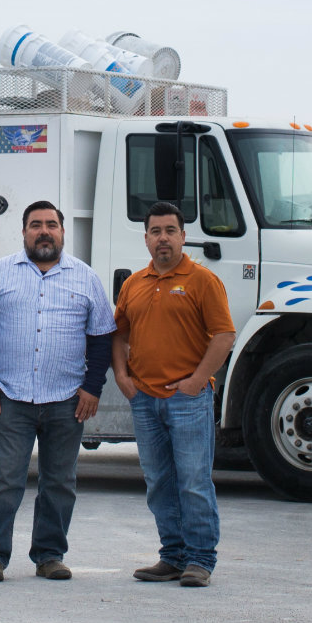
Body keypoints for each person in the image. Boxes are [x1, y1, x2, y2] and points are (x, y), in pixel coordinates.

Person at [0, 200, 115, 582]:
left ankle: (50, 555)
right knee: (5, 478)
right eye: (36, 224)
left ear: (63, 232)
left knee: (60, 482)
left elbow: (102, 339)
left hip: (67, 400)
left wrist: (92, 388)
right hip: (11, 398)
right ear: (24, 232)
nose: (44, 231)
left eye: (51, 224)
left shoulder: (85, 278)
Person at [112, 201, 235, 588]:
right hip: (145, 400)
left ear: (183, 236)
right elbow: (119, 333)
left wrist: (197, 381)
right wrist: (121, 376)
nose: (162, 238)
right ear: (146, 238)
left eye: (170, 231)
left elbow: (224, 335)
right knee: (159, 482)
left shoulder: (202, 281)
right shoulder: (134, 283)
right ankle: (172, 556)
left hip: (187, 401)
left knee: (193, 481)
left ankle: (199, 559)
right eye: (155, 231)